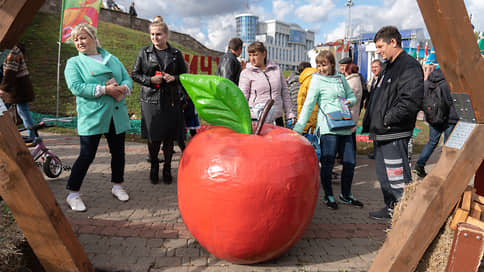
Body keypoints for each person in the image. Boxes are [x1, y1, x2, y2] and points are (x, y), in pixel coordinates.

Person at [64, 23, 132, 212]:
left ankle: (118, 185)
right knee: (87, 154)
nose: (80, 42)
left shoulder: (112, 58)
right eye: (76, 40)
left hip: (116, 114)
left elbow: (127, 78)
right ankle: (73, 193)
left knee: (118, 153)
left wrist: (123, 88)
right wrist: (104, 89)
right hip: (93, 115)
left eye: (83, 37)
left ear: (94, 38)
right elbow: (76, 86)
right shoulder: (74, 63)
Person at [362, 26, 424, 220]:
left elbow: (410, 101)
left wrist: (387, 120)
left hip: (394, 133)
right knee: (384, 175)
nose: (378, 51)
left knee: (397, 178)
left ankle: (406, 216)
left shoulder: (409, 66)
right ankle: (391, 209)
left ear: (393, 42)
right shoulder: (389, 66)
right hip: (382, 133)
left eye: (380, 46)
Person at [293, 50, 362, 210]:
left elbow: (352, 96)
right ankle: (328, 195)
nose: (321, 68)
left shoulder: (340, 78)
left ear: (332, 64)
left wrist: (348, 102)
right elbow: (308, 105)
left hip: (344, 126)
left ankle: (346, 195)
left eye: (324, 65)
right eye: (318, 65)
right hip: (327, 128)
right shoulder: (316, 80)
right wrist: (298, 128)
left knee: (350, 163)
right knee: (328, 162)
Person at [132, 17, 187, 185]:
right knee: (154, 137)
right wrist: (150, 80)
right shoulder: (144, 52)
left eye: (159, 34)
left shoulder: (176, 54)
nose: (155, 38)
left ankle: (168, 168)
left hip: (171, 100)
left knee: (169, 138)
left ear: (166, 34)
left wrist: (174, 77)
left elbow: (185, 76)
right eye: (152, 35)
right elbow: (135, 74)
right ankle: (154, 165)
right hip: (150, 101)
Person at [414, 55, 458, 177]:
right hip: (451, 117)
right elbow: (454, 100)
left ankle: (419, 165)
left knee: (432, 142)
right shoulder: (451, 82)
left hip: (434, 116)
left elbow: (422, 97)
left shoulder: (429, 80)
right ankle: (445, 169)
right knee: (448, 144)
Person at [238, 41, 296, 126]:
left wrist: (290, 114)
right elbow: (242, 98)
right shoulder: (246, 73)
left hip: (277, 119)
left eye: (255, 55)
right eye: (250, 55)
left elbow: (285, 93)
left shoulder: (277, 70)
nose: (252, 58)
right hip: (256, 120)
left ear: (264, 54)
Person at [0, 44, 36, 145]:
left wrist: (3, 89)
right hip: (16, 87)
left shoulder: (13, 50)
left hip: (18, 88)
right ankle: (33, 137)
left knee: (22, 112)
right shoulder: (9, 49)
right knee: (22, 112)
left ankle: (33, 137)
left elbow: (10, 72)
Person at [365, 59, 383, 160]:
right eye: (372, 67)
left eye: (375, 67)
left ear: (381, 67)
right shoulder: (373, 79)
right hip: (372, 108)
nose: (373, 69)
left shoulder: (382, 79)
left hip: (379, 110)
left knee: (378, 132)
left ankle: (379, 153)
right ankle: (376, 152)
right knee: (374, 132)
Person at [344, 63, 363, 152]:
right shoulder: (356, 79)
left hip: (350, 111)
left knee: (349, 137)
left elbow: (348, 97)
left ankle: (349, 157)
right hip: (354, 110)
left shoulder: (351, 82)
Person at [297, 65, 319, 134]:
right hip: (316, 123)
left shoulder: (305, 81)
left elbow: (302, 103)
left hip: (308, 124)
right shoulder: (316, 78)